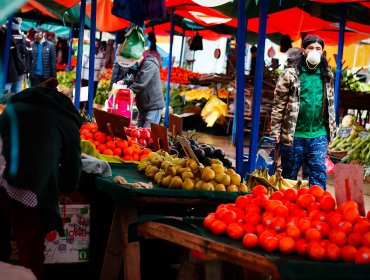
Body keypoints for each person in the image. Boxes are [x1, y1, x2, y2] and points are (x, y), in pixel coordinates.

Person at [0, 81, 82, 280]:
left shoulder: (13, 107)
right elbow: (72, 167)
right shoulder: (66, 118)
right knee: (32, 257)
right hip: (29, 189)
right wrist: (64, 188)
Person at [270, 35, 336, 190]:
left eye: (318, 48)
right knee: (289, 178)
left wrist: (331, 131)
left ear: (322, 51)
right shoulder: (291, 74)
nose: (314, 51)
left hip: (319, 135)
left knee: (319, 175)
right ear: (303, 51)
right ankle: (288, 209)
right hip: (294, 136)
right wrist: (275, 131)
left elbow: (330, 104)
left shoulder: (327, 75)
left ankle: (317, 208)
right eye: (310, 48)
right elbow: (278, 105)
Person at [118, 51, 164, 128]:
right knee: (140, 132)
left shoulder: (149, 64)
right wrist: (124, 81)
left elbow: (140, 83)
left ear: (137, 58)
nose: (131, 66)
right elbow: (134, 77)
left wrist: (127, 91)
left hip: (153, 106)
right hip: (143, 105)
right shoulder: (141, 65)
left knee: (147, 134)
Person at [81, 39, 105, 108]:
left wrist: (101, 73)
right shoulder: (86, 52)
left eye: (97, 45)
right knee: (83, 94)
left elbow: (103, 65)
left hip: (95, 78)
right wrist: (80, 77)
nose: (96, 46)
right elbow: (82, 64)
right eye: (95, 45)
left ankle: (87, 109)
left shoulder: (101, 54)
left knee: (92, 94)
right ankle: (80, 109)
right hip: (85, 77)